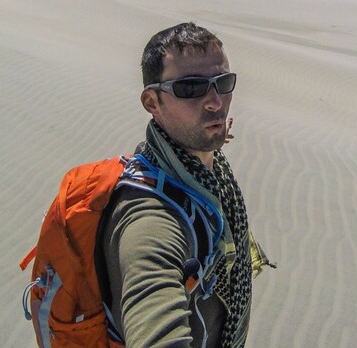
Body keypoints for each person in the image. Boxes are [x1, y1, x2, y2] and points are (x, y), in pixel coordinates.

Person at [100, 22, 272, 348]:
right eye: (191, 88)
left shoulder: (197, 160)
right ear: (152, 103)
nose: (215, 102)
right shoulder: (151, 219)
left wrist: (214, 134)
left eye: (223, 83)